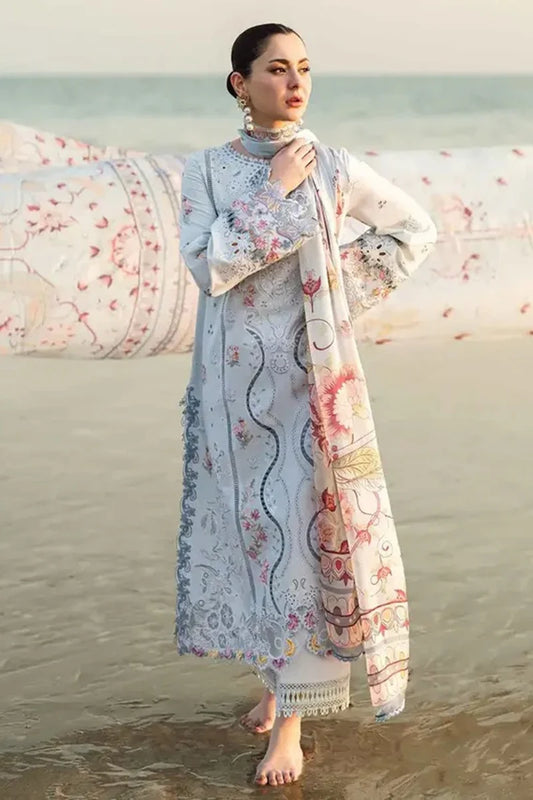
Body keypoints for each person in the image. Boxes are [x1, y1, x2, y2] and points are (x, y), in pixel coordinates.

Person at [175, 22, 438, 787]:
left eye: (303, 69)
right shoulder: (206, 170)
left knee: (301, 543)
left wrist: (325, 296)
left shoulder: (335, 166)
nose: (294, 83)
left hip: (309, 389)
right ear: (240, 83)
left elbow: (412, 229)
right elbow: (208, 267)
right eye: (276, 69)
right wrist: (275, 191)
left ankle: (290, 725)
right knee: (251, 534)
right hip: (229, 397)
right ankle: (273, 683)